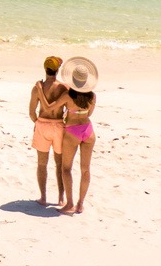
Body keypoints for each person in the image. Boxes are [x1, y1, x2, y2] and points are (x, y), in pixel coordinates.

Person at [48, 58, 98, 215]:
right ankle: (80, 204)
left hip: (72, 132)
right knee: (85, 170)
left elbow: (51, 107)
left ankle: (69, 203)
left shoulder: (67, 97)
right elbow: (89, 113)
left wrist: (41, 94)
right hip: (88, 130)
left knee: (66, 168)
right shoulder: (92, 96)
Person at [28, 55, 67, 206]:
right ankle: (61, 198)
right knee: (60, 164)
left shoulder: (37, 88)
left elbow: (32, 112)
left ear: (45, 69)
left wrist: (37, 123)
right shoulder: (64, 87)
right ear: (57, 70)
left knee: (42, 164)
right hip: (58, 126)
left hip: (42, 125)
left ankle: (43, 197)